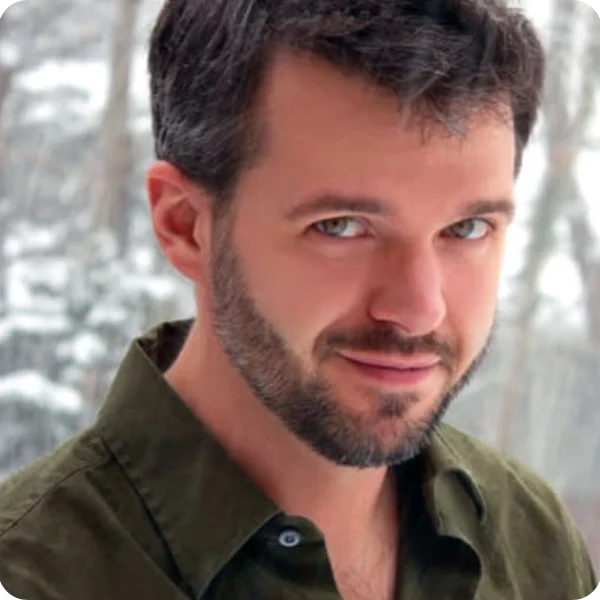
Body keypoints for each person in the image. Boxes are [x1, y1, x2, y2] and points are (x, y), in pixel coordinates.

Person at [0, 0, 597, 598]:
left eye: (466, 230)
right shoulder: (30, 576)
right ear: (185, 226)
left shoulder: (533, 540)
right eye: (341, 226)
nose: (421, 309)